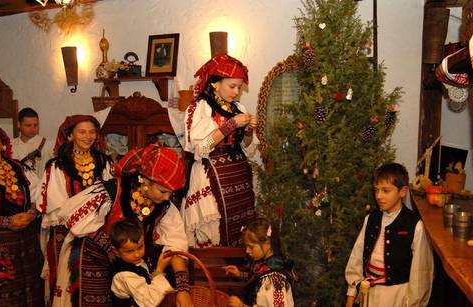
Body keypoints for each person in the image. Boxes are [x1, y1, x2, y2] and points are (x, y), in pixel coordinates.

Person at [53, 144, 193, 307]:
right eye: (163, 191)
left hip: (126, 263)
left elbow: (175, 247)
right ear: (146, 180)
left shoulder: (165, 207)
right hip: (93, 260)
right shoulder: (113, 190)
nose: (167, 198)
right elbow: (74, 220)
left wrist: (183, 289)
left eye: (171, 193)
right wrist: (110, 247)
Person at [182, 54, 257, 247]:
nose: (236, 92)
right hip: (211, 174)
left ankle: (236, 270)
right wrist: (230, 125)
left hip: (237, 174)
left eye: (239, 87)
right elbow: (202, 148)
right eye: (232, 86)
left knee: (240, 225)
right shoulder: (201, 107)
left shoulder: (237, 107)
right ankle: (211, 270)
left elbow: (246, 147)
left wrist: (248, 131)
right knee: (214, 229)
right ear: (215, 83)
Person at [39, 115, 113, 305]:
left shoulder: (105, 162)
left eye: (92, 132)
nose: (88, 136)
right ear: (70, 136)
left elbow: (110, 197)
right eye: (82, 132)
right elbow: (57, 206)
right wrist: (80, 220)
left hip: (97, 232)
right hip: (66, 233)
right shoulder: (57, 166)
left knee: (97, 285)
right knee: (68, 286)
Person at [345, 163, 434, 307]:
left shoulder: (415, 226)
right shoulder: (370, 219)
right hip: (368, 294)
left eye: (386, 191)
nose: (379, 196)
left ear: (403, 191)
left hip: (397, 297)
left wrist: (412, 303)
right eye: (376, 190)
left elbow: (421, 273)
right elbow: (356, 258)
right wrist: (352, 292)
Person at [0, 124, 44, 306]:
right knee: (2, 291)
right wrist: (7, 221)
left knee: (31, 289)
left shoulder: (18, 167)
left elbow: (38, 194)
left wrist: (31, 213)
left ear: (3, 144)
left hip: (26, 240)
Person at [223, 218, 295, 307]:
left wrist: (241, 306)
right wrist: (240, 274)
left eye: (251, 247)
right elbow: (258, 277)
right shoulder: (266, 260)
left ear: (267, 244)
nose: (247, 251)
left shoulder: (274, 280)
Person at [110, 218, 174, 307]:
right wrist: (159, 271)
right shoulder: (123, 275)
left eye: (140, 247)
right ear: (116, 251)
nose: (137, 254)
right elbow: (149, 302)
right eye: (129, 251)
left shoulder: (145, 259)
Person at [11, 107, 54, 179]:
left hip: (41, 187)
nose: (32, 128)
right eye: (28, 125)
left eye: (35, 125)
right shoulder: (10, 145)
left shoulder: (48, 145)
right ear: (18, 124)